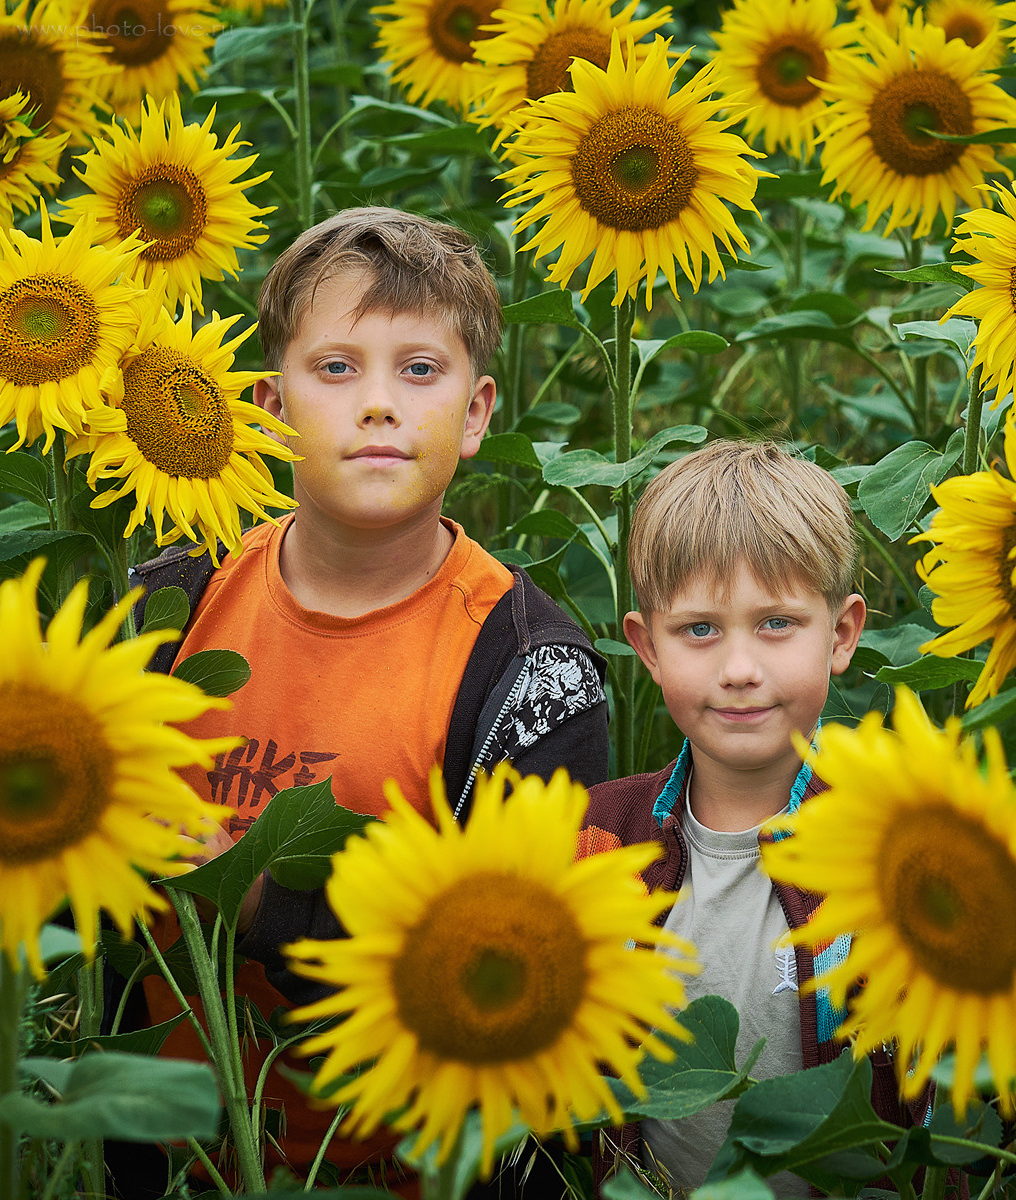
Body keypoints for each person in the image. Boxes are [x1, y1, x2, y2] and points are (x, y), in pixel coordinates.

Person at [114, 207, 609, 1195]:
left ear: (476, 416)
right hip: (164, 1161)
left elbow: (523, 974)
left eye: (419, 371)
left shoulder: (531, 670)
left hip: (399, 1170)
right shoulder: (168, 605)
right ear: (265, 403)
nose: (378, 405)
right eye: (336, 369)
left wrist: (255, 895)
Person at [578, 439, 892, 1198]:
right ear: (646, 646)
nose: (740, 668)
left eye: (777, 624)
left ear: (842, 634)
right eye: (700, 630)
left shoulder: (894, 844)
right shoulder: (598, 838)